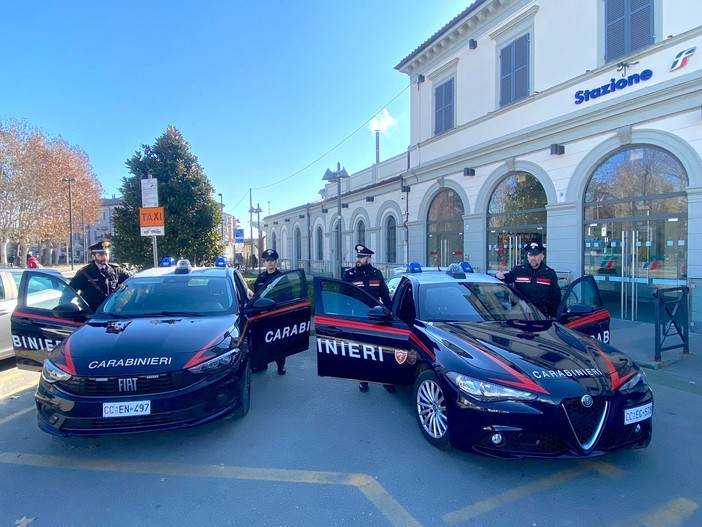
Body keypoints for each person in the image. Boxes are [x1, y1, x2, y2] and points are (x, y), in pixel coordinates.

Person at [342, 243, 394, 393]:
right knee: (363, 351)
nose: (359, 259)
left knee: (382, 350)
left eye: (362, 257)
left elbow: (385, 295)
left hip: (377, 318)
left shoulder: (376, 274)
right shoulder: (349, 275)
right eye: (358, 256)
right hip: (359, 319)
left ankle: (385, 379)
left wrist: (390, 313)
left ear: (369, 258)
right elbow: (342, 298)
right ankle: (364, 380)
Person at [495, 241, 562, 317]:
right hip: (521, 314)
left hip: (541, 315)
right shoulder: (518, 271)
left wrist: (554, 316)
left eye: (536, 255)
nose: (533, 258)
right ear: (527, 256)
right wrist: (498, 275)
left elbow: (556, 297)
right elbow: (501, 280)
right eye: (530, 255)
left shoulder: (549, 273)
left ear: (542, 256)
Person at [251, 248, 287, 375]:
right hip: (262, 315)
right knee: (262, 341)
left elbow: (286, 296)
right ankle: (262, 364)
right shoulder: (260, 278)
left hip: (276, 314)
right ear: (264, 262)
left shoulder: (281, 277)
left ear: (275, 261)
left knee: (277, 342)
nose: (270, 263)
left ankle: (280, 365)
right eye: (267, 260)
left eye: (272, 260)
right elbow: (255, 297)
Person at [68, 241, 131, 311]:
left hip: (112, 312)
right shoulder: (84, 273)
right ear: (93, 257)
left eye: (106, 254)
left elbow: (133, 281)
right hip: (91, 313)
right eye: (100, 255)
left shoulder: (116, 270)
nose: (104, 257)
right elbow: (69, 292)